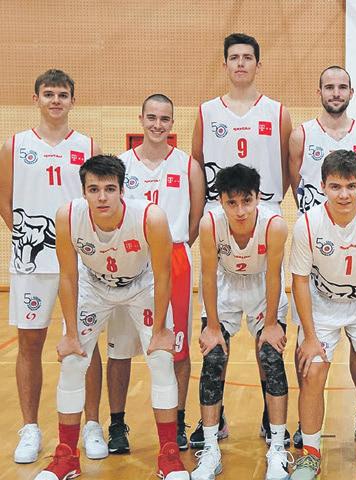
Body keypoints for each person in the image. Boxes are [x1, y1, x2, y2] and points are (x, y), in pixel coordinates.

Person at [35, 155, 188, 480]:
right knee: (73, 360)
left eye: (109, 189)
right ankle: (66, 457)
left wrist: (161, 328)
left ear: (122, 190)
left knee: (161, 358)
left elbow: (163, 275)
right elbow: (67, 277)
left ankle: (169, 454)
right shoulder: (67, 217)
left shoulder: (150, 217)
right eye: (94, 189)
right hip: (94, 286)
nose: (102, 197)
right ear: (83, 192)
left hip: (141, 285)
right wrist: (71, 333)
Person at [83, 94, 205, 453]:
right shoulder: (121, 165)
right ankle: (117, 424)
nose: (157, 124)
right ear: (141, 120)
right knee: (120, 347)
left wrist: (171, 248)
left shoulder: (188, 166)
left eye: (164, 119)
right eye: (151, 117)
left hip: (174, 256)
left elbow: (195, 217)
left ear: (172, 123)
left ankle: (177, 421)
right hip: (128, 258)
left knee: (176, 347)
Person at [192, 32, 293, 446]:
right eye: (233, 57)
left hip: (261, 217)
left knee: (269, 345)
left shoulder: (277, 111)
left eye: (247, 57)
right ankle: (213, 424)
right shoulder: (206, 111)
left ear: (257, 64)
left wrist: (261, 207)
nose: (240, 63)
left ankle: (273, 424)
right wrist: (210, 212)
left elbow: (287, 166)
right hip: (222, 221)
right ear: (224, 64)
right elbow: (197, 165)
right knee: (215, 347)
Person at [0, 69, 102, 464]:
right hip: (32, 264)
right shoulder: (15, 145)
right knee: (30, 342)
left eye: (62, 94)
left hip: (79, 262)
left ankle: (91, 424)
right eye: (48, 94)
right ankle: (30, 428)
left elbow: (96, 200)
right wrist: (29, 239)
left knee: (86, 343)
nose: (55, 100)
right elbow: (5, 200)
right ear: (36, 99)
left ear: (73, 100)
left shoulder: (87, 145)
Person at [289, 150, 356, 480]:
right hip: (322, 306)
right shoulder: (307, 224)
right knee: (312, 371)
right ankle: (310, 454)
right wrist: (309, 337)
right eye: (335, 186)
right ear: (322, 186)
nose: (344, 194)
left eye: (351, 186)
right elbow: (299, 282)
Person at [288, 65, 356, 447]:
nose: (336, 93)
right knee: (306, 346)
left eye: (342, 87)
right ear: (319, 91)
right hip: (315, 248)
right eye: (329, 87)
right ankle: (305, 421)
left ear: (351, 92)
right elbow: (295, 182)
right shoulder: (301, 135)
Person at [191, 163, 291, 480]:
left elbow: (274, 275)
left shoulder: (275, 225)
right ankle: (210, 448)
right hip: (226, 287)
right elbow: (208, 275)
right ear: (220, 201)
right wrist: (212, 327)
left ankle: (277, 446)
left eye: (246, 201)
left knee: (271, 357)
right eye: (231, 202)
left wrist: (271, 324)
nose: (240, 210)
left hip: (263, 287)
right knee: (214, 357)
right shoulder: (210, 224)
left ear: (258, 197)